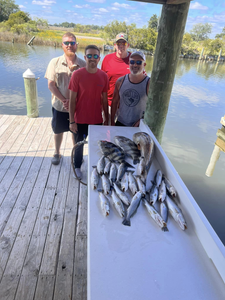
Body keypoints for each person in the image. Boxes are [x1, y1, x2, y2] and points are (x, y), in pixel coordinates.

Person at [45, 32, 86, 165]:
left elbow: (86, 88)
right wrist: (64, 100)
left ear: (76, 45)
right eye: (66, 43)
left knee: (76, 133)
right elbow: (51, 85)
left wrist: (74, 102)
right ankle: (57, 152)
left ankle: (76, 154)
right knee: (58, 130)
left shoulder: (83, 64)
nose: (69, 45)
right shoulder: (54, 62)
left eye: (72, 43)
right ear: (62, 45)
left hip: (78, 108)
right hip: (59, 105)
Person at [69, 45, 109, 180]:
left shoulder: (103, 76)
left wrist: (107, 120)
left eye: (95, 56)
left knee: (96, 146)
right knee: (78, 145)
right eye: (89, 56)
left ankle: (95, 166)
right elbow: (72, 100)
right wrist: (72, 121)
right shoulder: (77, 74)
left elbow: (104, 100)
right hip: (79, 119)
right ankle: (77, 166)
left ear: (99, 58)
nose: (92, 58)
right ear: (85, 57)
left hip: (96, 119)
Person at [111, 51, 150, 127]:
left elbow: (153, 107)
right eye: (132, 62)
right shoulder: (120, 81)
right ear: (129, 63)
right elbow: (114, 101)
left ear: (144, 64)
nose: (135, 65)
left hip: (138, 125)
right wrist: (112, 120)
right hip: (120, 122)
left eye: (139, 62)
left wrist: (142, 120)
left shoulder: (149, 83)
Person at [101, 33, 131, 121]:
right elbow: (101, 82)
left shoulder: (134, 60)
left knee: (122, 133)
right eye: (118, 43)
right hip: (109, 103)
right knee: (107, 130)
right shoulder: (107, 59)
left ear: (128, 45)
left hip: (127, 105)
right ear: (115, 45)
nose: (121, 46)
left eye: (124, 43)